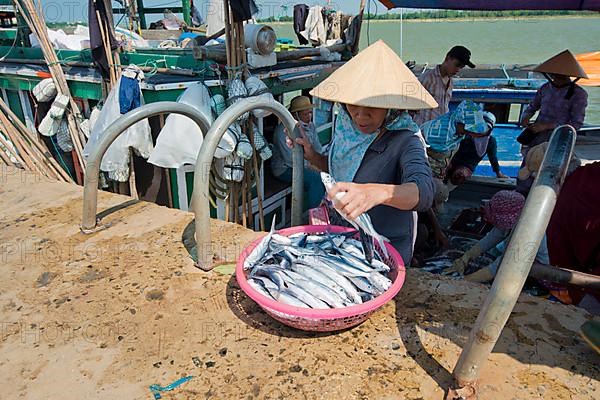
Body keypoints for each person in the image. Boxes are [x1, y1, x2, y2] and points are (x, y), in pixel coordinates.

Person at [292, 40, 436, 264]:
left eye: (372, 107)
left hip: (384, 248)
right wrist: (312, 156)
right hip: (343, 238)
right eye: (353, 106)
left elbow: (424, 192)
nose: (360, 116)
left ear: (391, 106)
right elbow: (340, 174)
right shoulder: (346, 129)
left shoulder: (406, 140)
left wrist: (374, 193)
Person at [517, 49, 588, 194]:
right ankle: (521, 198)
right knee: (527, 170)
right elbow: (532, 106)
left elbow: (576, 124)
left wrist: (548, 126)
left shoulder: (579, 94)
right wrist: (526, 117)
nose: (555, 78)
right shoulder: (545, 88)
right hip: (537, 139)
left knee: (551, 174)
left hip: (559, 141)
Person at [444, 190, 528, 282]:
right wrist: (465, 258)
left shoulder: (525, 235)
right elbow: (490, 239)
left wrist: (462, 281)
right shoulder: (510, 221)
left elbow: (497, 268)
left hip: (539, 269)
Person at [271, 95, 325, 209]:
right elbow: (290, 160)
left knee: (326, 175)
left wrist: (318, 163)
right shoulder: (282, 131)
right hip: (285, 169)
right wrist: (311, 165)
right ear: (296, 115)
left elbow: (318, 147)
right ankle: (315, 216)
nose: (309, 117)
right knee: (316, 180)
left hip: (306, 164)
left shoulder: (311, 126)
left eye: (310, 113)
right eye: (306, 114)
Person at [412, 45, 475, 126]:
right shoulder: (427, 79)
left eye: (461, 67)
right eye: (457, 65)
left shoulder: (450, 81)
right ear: (448, 58)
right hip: (424, 129)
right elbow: (411, 107)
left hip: (439, 130)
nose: (458, 70)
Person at [445, 112, 508, 187]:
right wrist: (447, 162)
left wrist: (498, 172)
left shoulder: (490, 141)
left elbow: (493, 157)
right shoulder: (466, 134)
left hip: (467, 166)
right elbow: (451, 146)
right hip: (452, 160)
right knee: (442, 171)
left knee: (459, 175)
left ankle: (445, 192)